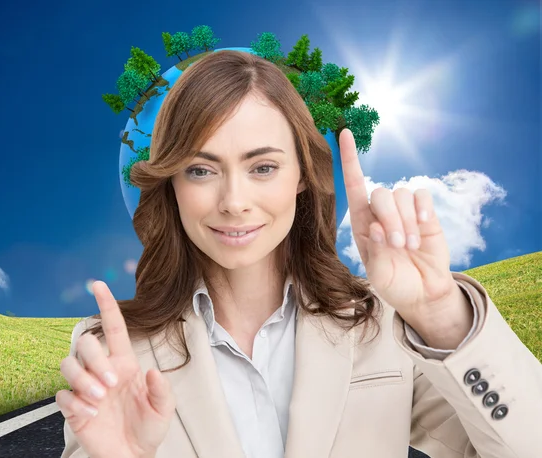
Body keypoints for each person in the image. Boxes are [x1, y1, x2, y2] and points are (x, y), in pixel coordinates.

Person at [56, 50, 542, 458]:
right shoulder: (114, 349)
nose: (234, 201)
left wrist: (440, 313)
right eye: (201, 171)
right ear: (172, 184)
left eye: (263, 167)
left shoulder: (383, 326)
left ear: (302, 177)